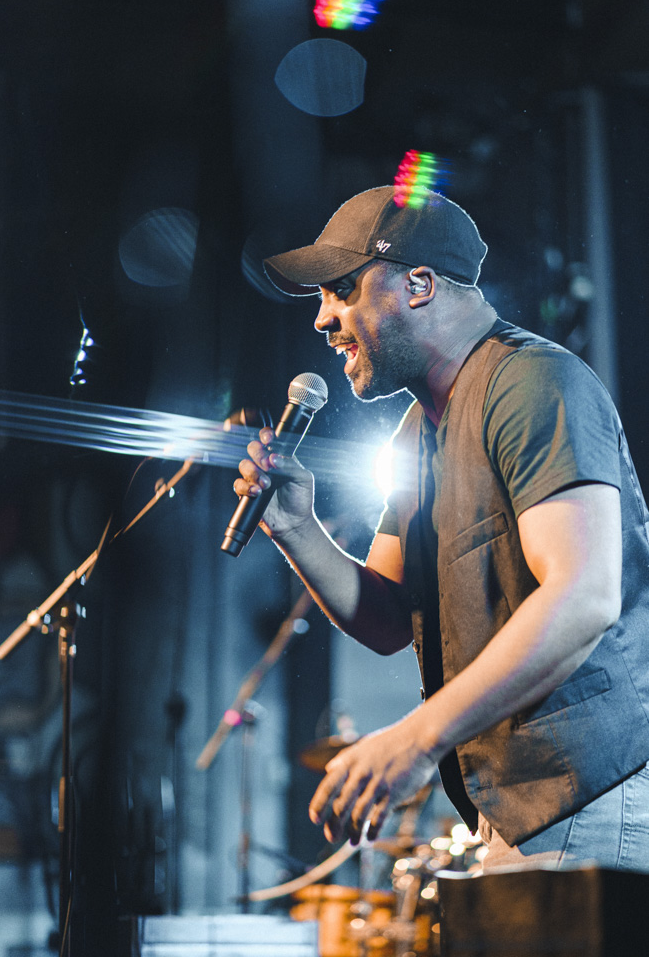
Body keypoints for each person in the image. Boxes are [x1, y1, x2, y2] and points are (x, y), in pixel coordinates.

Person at [234, 186, 649, 871]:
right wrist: (296, 527)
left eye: (341, 290)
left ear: (419, 285)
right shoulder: (416, 432)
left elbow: (584, 595)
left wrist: (417, 738)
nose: (322, 318)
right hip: (518, 812)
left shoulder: (532, 383)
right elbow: (388, 619)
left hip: (590, 798)